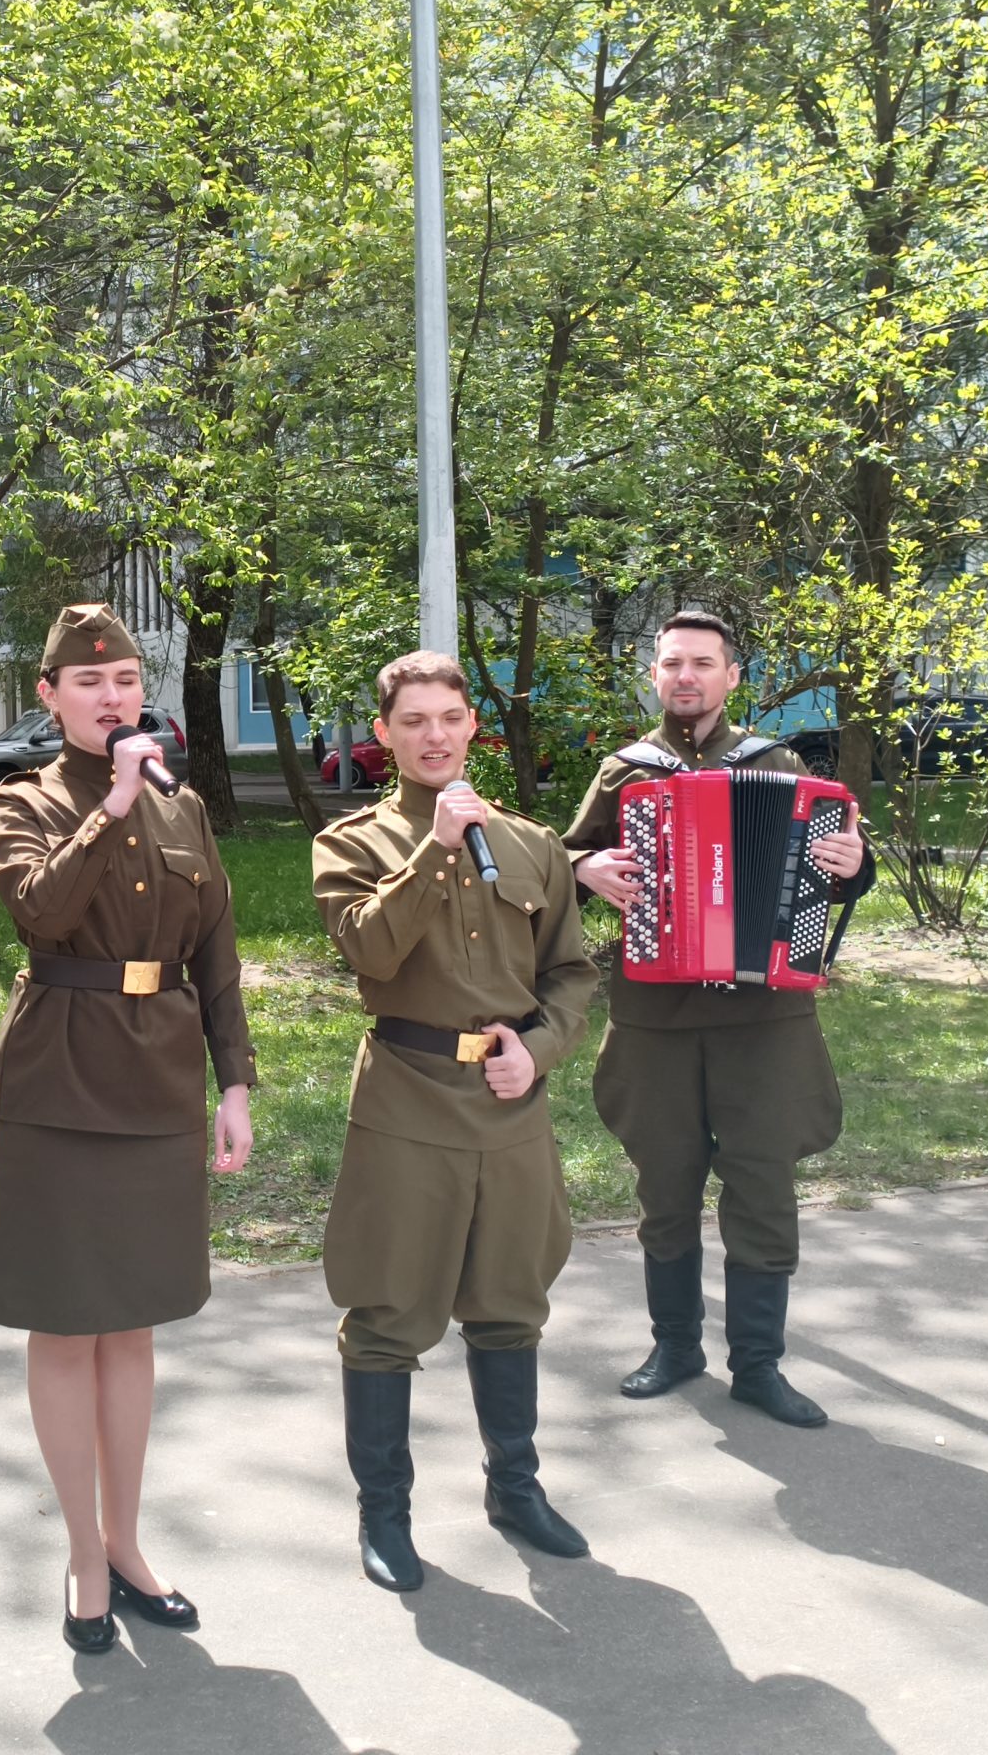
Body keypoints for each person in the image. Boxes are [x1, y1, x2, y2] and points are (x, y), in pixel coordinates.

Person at [0, 603, 257, 1655]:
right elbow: (42, 913)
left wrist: (234, 1085)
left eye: (127, 679)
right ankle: (82, 1556)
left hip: (157, 1078)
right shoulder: (23, 800)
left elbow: (216, 955)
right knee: (67, 1323)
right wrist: (113, 805)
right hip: (59, 1078)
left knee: (132, 1322)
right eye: (89, 682)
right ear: (49, 696)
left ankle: (127, 1542)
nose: (112, 696)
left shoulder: (186, 810)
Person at [311, 651, 600, 1592]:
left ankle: (515, 1490)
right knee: (388, 1311)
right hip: (407, 1099)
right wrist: (435, 850)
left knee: (511, 1303)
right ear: (383, 734)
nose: (433, 736)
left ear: (472, 724)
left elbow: (569, 973)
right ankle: (384, 1515)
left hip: (511, 1105)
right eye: (413, 721)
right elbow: (370, 949)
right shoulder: (354, 844)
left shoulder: (532, 844)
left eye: (448, 717)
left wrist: (539, 1049)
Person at [562, 611, 871, 1429]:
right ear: (655, 676)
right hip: (656, 1017)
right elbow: (562, 861)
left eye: (703, 663)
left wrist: (853, 865)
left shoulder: (777, 764)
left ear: (732, 676)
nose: (686, 677)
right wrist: (584, 867)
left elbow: (830, 872)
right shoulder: (625, 772)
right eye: (673, 664)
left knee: (762, 1187)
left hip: (765, 1019)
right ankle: (675, 1348)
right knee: (664, 1187)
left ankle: (759, 1366)